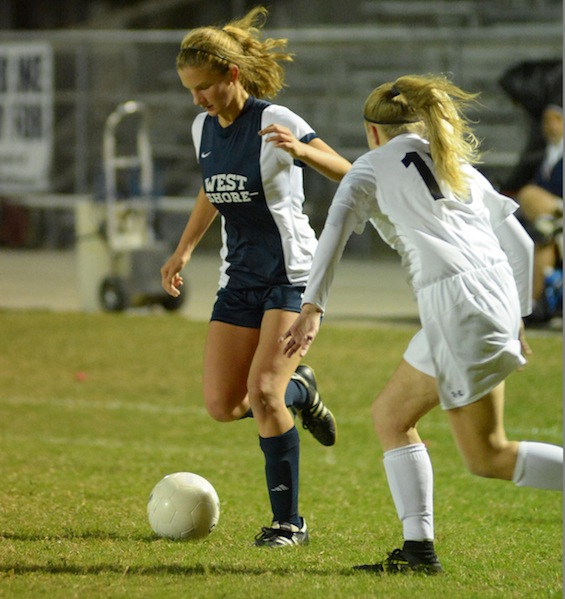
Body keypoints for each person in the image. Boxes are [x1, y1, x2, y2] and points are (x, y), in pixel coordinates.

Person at [281, 74, 563, 572]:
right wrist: (516, 316)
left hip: (454, 306)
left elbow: (332, 235)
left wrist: (310, 308)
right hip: (492, 297)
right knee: (392, 416)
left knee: (488, 456)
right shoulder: (458, 166)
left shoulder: (369, 166)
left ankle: (419, 553)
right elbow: (520, 245)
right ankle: (417, 552)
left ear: (373, 132)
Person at [160, 6, 351, 548]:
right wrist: (183, 250)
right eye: (190, 90)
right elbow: (212, 187)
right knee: (225, 405)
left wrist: (304, 152)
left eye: (204, 87)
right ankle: (301, 389)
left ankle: (289, 523)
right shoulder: (202, 125)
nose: (197, 99)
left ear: (232, 76)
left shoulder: (277, 120)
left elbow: (353, 173)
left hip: (292, 275)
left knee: (263, 392)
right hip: (239, 276)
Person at [515, 104, 563, 323]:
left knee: (528, 194)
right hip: (550, 224)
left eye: (557, 119)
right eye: (547, 121)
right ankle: (533, 305)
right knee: (543, 232)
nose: (551, 126)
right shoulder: (545, 155)